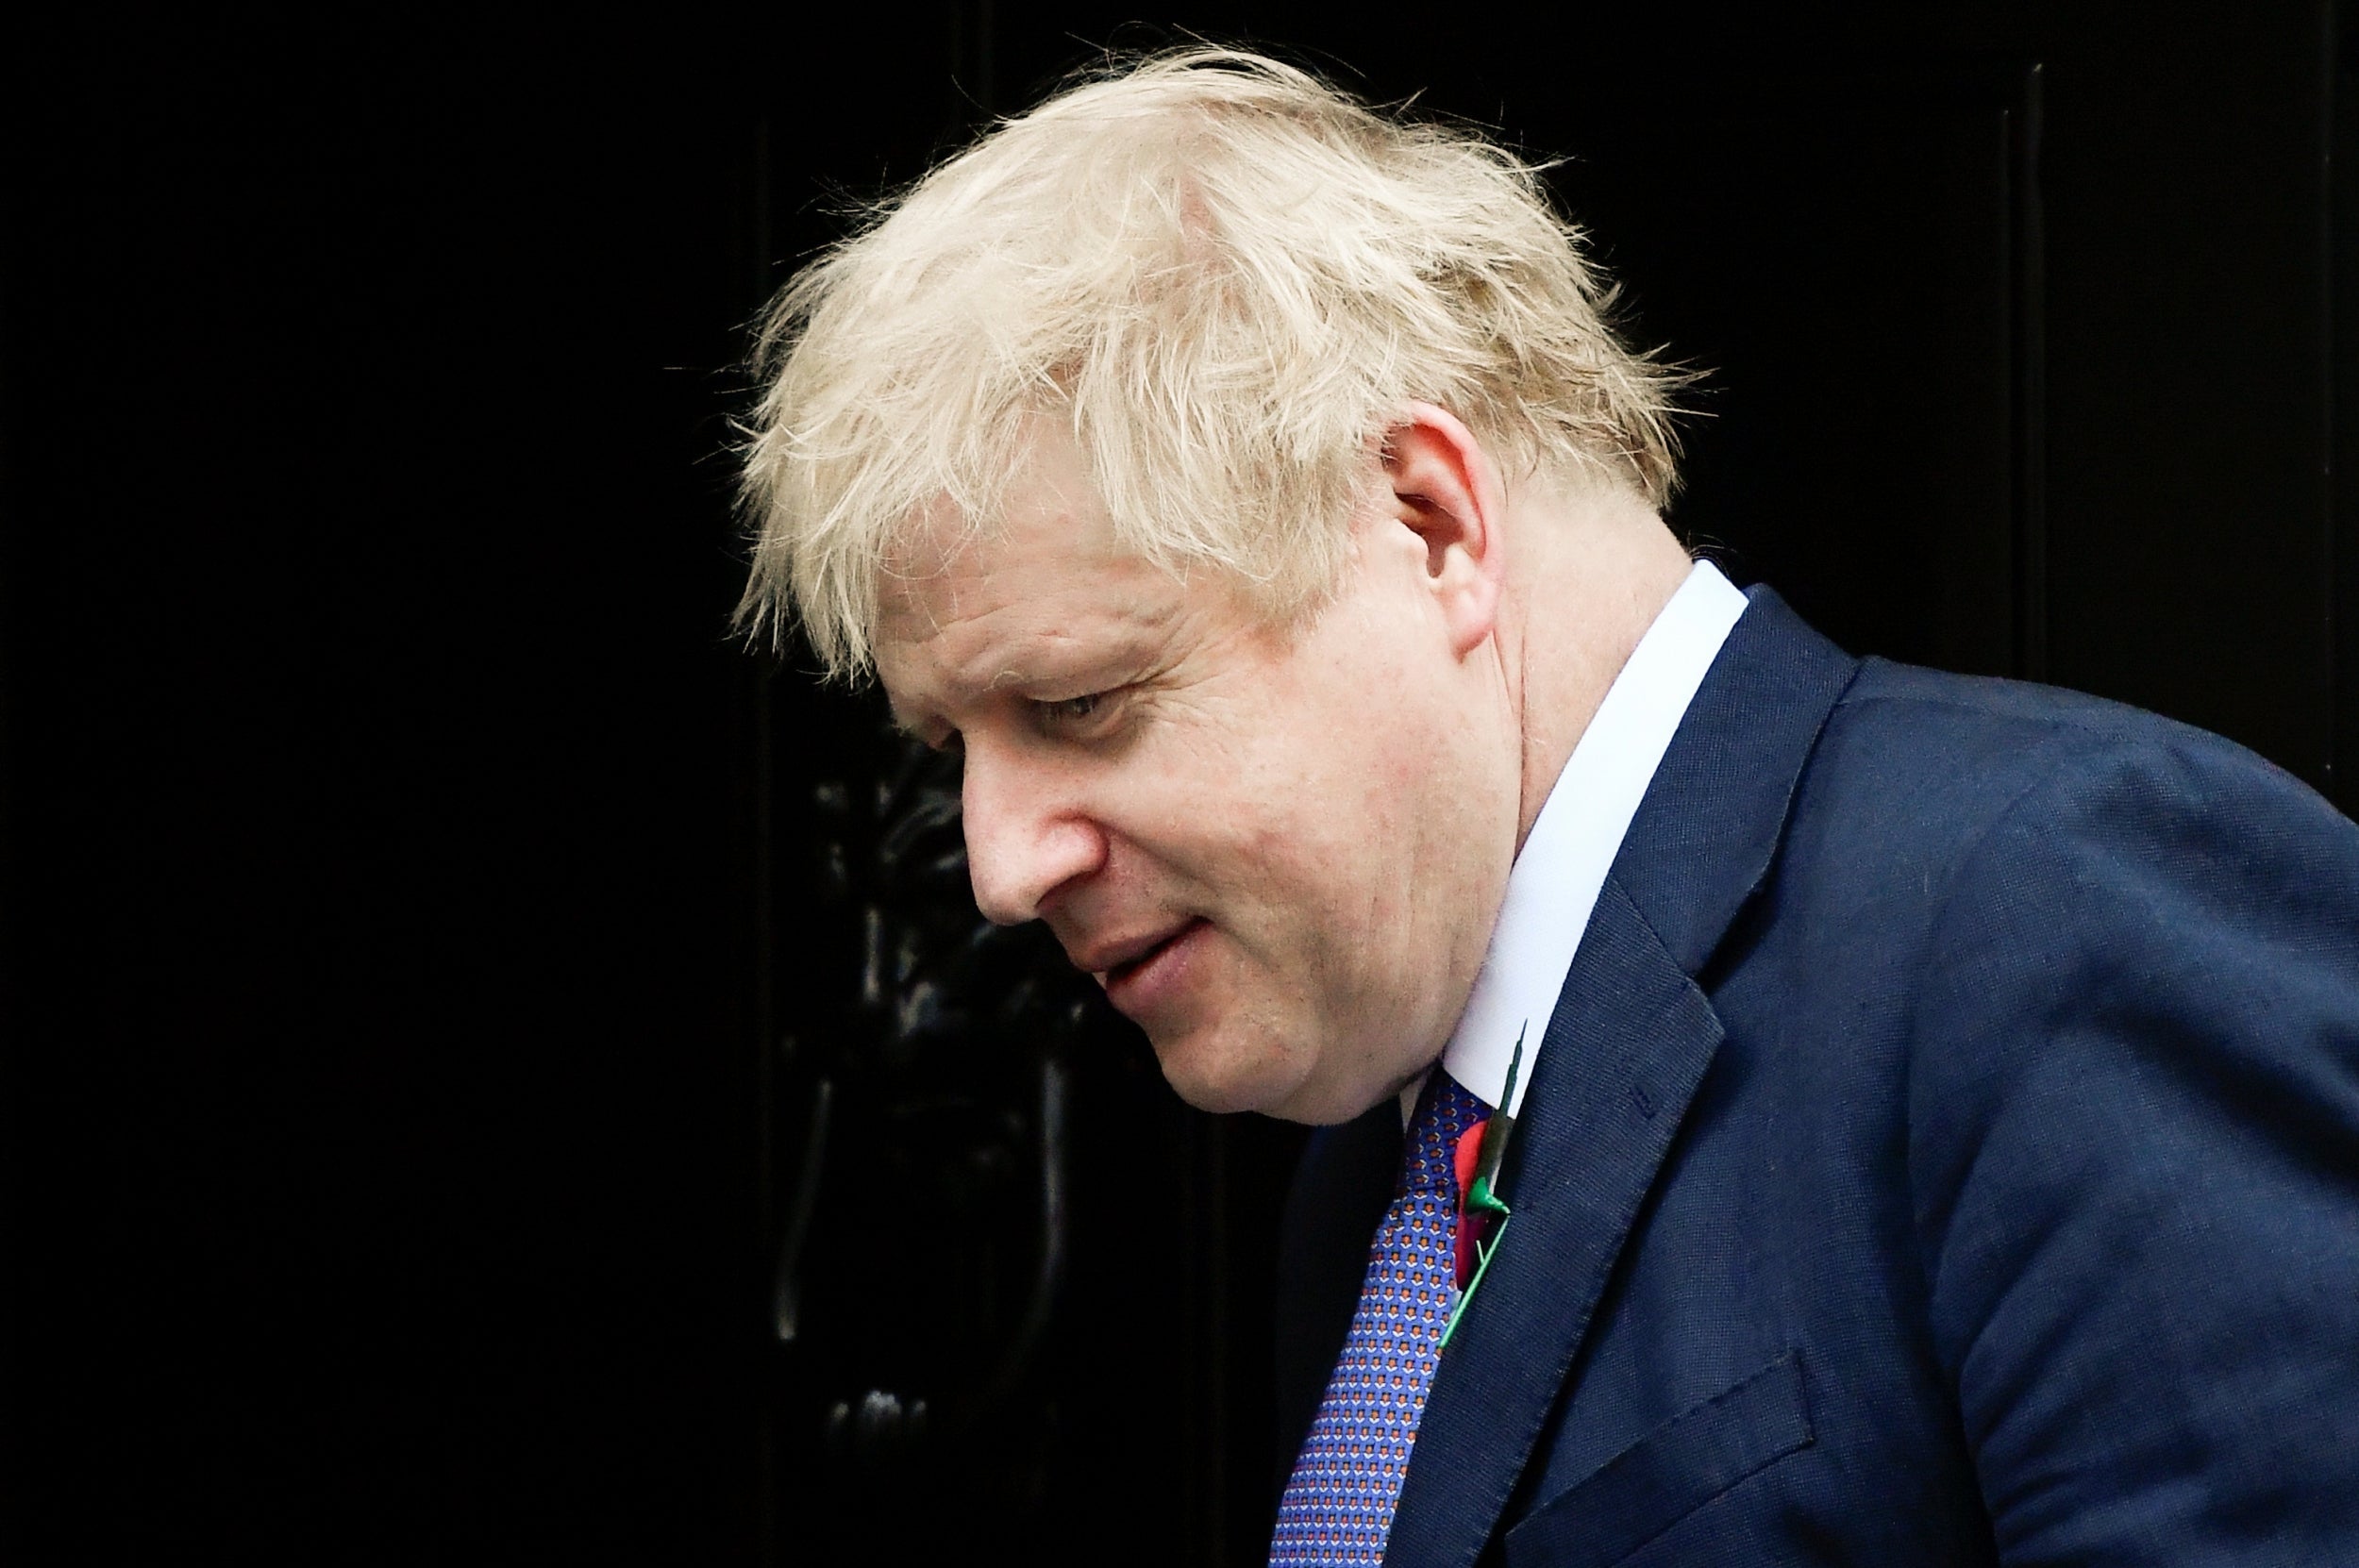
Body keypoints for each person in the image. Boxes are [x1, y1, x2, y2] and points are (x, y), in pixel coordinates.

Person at [736, 48, 2359, 1566]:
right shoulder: (1374, 1157)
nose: (1001, 866)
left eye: (1079, 702)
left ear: (1432, 522)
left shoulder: (2065, 913)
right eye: (954, 744)